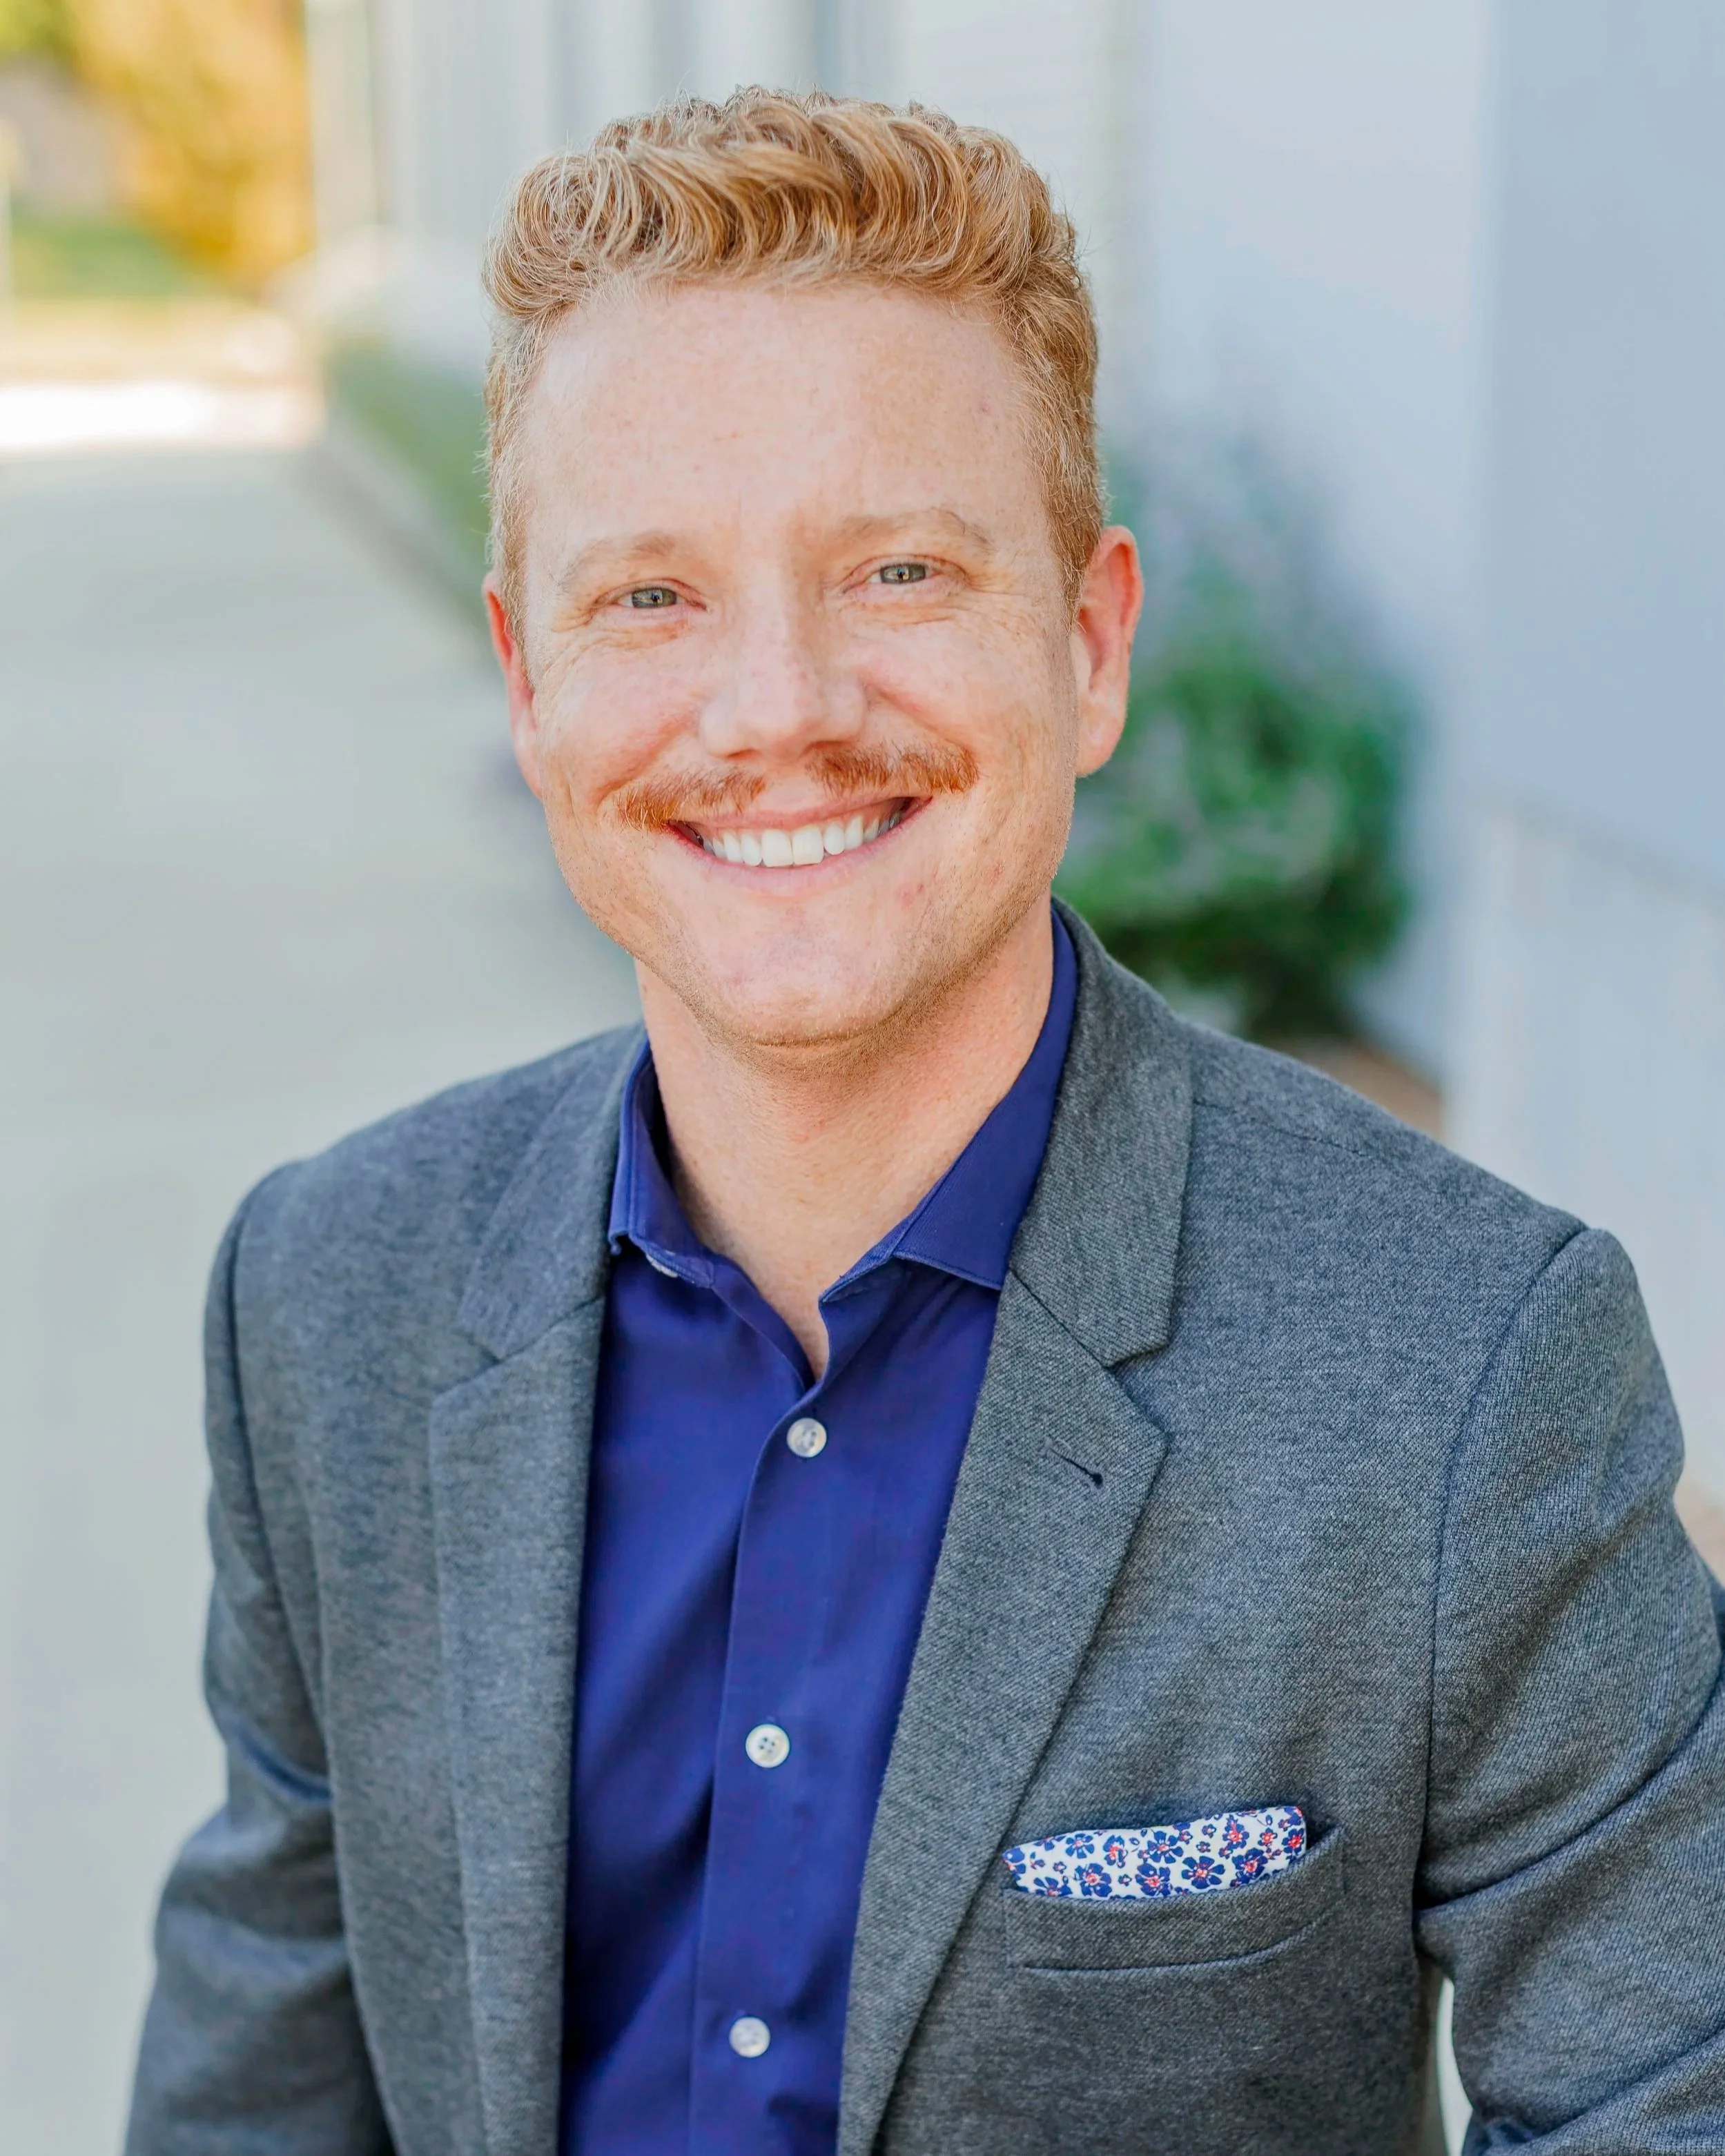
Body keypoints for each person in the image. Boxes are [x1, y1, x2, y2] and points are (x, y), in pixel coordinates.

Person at [126, 90, 1725, 2156]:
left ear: (1087, 641)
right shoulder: (328, 1297)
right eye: (653, 598)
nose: (779, 704)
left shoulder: (1466, 1372)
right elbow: (258, 2090)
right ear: (528, 680)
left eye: (896, 567)